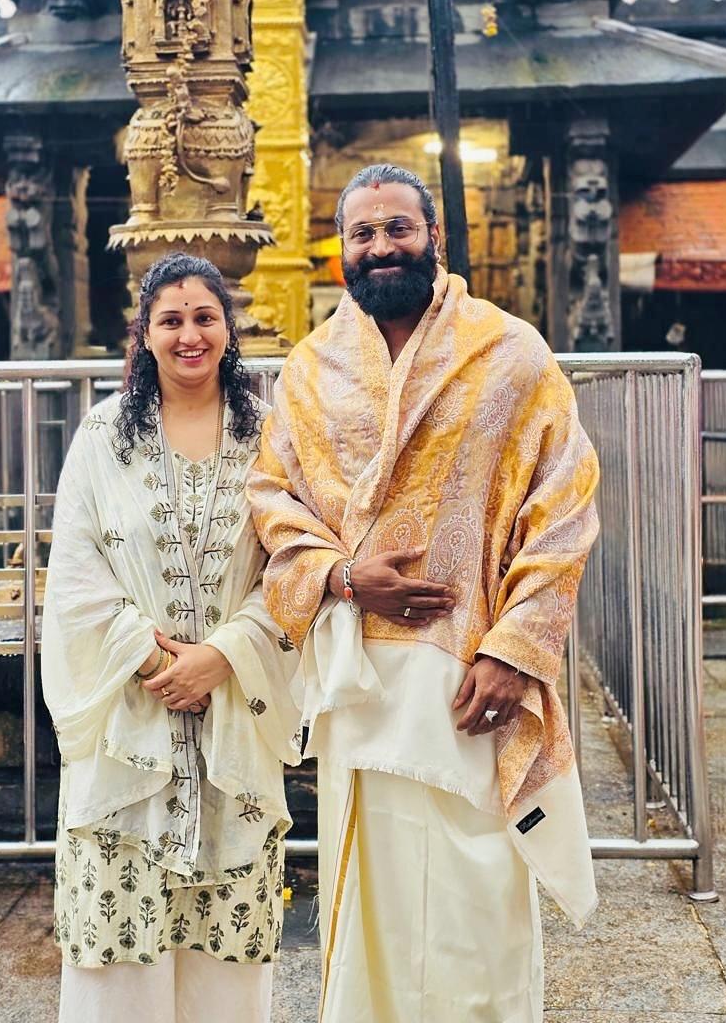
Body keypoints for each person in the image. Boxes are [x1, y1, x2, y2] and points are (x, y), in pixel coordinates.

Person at [247, 164, 600, 1023]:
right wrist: (338, 576)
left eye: (397, 228)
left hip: (469, 674)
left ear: (435, 238)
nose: (380, 247)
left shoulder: (509, 353)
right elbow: (270, 496)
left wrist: (514, 652)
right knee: (368, 895)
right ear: (342, 255)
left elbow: (565, 503)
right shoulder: (310, 369)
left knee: (477, 894)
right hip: (359, 674)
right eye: (361, 234)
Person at [42, 253, 302, 1023]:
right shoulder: (101, 438)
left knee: (225, 942)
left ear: (229, 329)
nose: (190, 335)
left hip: (235, 715)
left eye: (204, 317)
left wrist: (224, 655)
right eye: (171, 320)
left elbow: (292, 568)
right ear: (144, 335)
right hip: (132, 714)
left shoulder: (273, 440)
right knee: (120, 943)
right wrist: (155, 658)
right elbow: (76, 574)